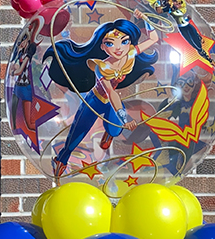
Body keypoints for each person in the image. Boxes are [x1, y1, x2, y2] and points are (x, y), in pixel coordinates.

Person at [44, 15, 158, 178]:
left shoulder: (131, 53)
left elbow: (153, 38)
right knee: (77, 135)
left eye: (124, 41)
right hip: (95, 101)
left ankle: (109, 132)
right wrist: (125, 117)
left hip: (112, 102)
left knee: (115, 128)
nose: (118, 48)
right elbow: (111, 93)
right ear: (103, 47)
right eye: (110, 43)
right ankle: (61, 160)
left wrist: (145, 18)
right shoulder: (102, 67)